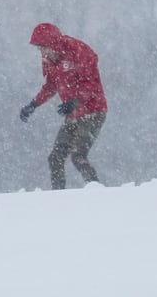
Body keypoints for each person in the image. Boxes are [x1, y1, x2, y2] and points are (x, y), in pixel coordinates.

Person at [19, 23, 108, 190]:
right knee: (55, 157)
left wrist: (76, 100)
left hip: (93, 111)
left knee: (78, 156)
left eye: (43, 48)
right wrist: (34, 104)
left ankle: (97, 191)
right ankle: (58, 196)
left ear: (52, 43)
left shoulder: (79, 51)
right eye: (39, 50)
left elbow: (91, 83)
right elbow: (51, 85)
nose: (42, 53)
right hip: (73, 113)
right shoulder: (49, 60)